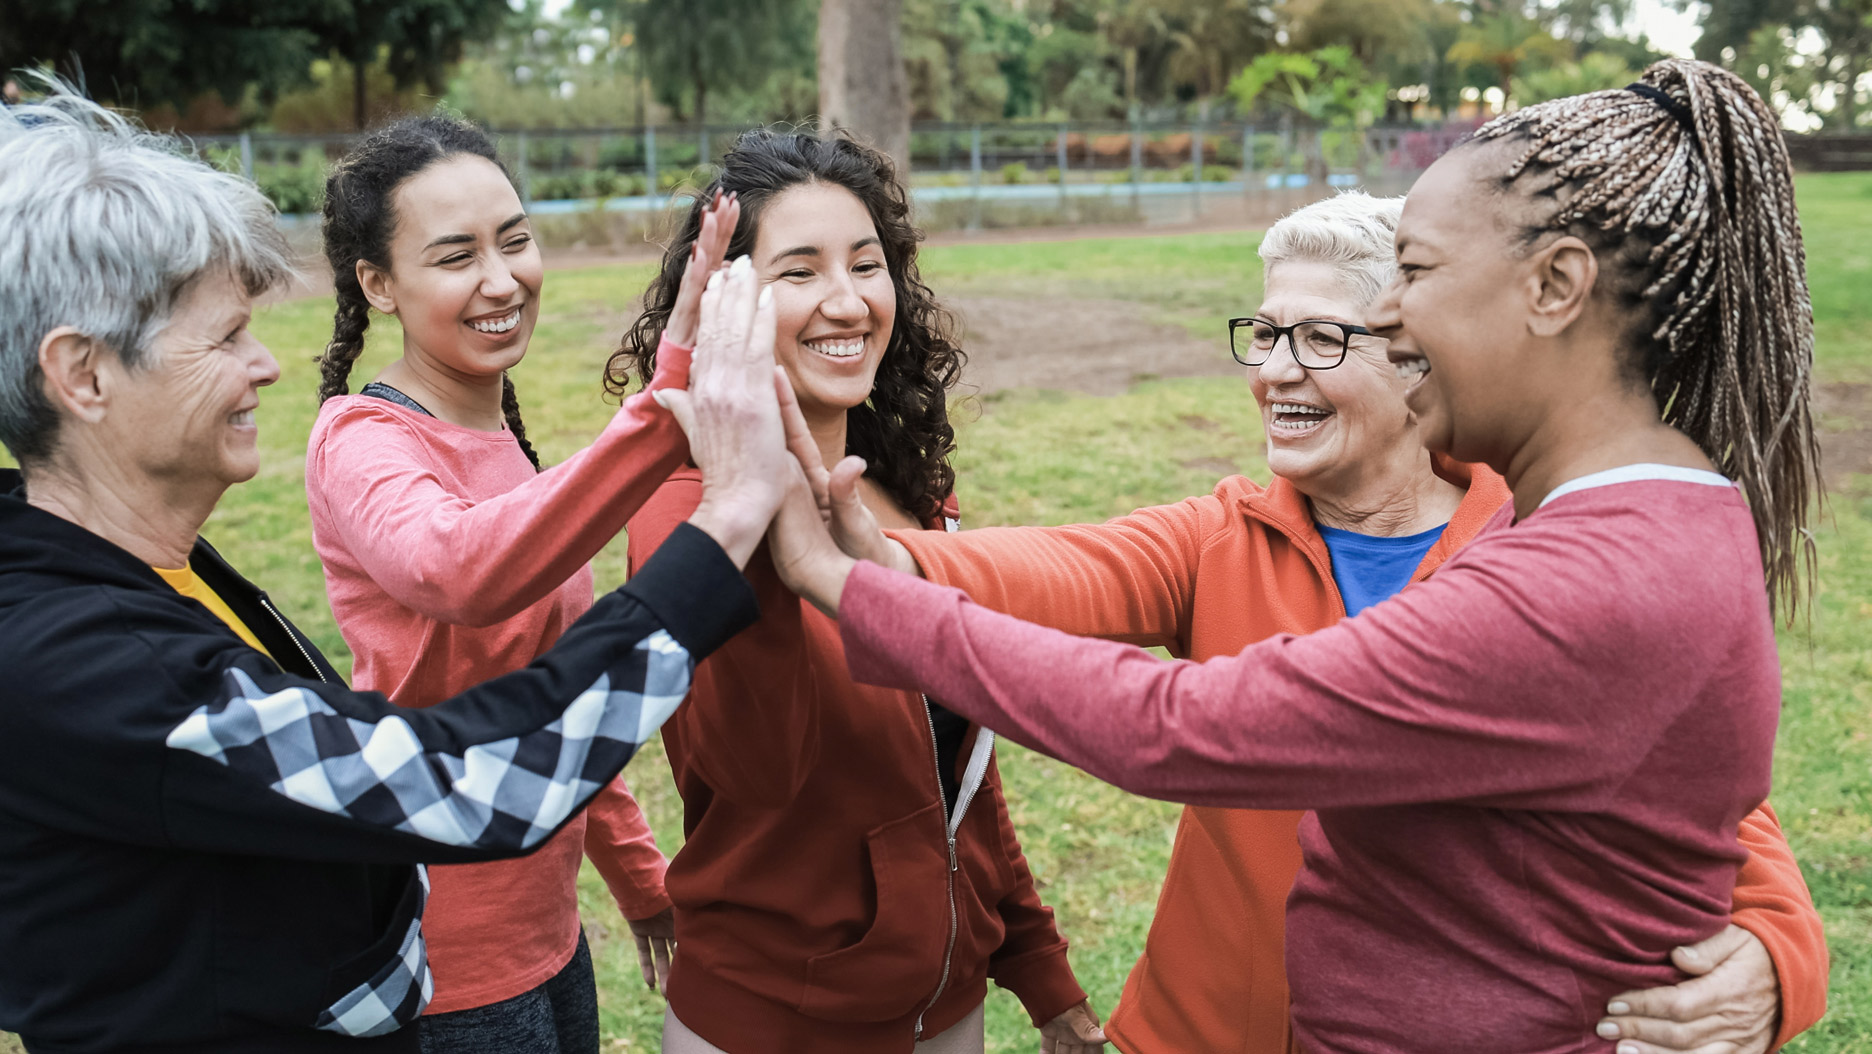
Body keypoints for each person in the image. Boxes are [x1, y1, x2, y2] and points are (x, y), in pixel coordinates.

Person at [768, 58, 1819, 1053]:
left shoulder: (1565, 577)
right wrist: (894, 566)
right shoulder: (1609, 518)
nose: (1393, 320)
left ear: (1552, 288)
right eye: (1262, 334)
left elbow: (1172, 726)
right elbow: (1055, 569)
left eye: (1399, 285)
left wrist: (1780, 946)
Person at [0, 80, 793, 1052]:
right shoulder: (74, 665)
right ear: (83, 375)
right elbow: (483, 782)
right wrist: (724, 523)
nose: (265, 366)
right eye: (225, 336)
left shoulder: (143, 586)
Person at [608, 129, 1105, 1054]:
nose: (847, 301)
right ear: (728, 306)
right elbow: (752, 772)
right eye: (799, 271)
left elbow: (960, 764)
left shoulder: (906, 485)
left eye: (866, 264)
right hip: (776, 1021)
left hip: (949, 1008)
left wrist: (1037, 969)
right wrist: (754, 520)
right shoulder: (686, 517)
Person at [303, 114, 741, 1052]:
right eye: (456, 256)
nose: (502, 281)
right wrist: (663, 409)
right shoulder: (361, 441)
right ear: (377, 284)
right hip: (441, 957)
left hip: (547, 937)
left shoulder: (505, 441)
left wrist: (637, 876)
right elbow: (461, 569)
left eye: (515, 240)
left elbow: (555, 686)